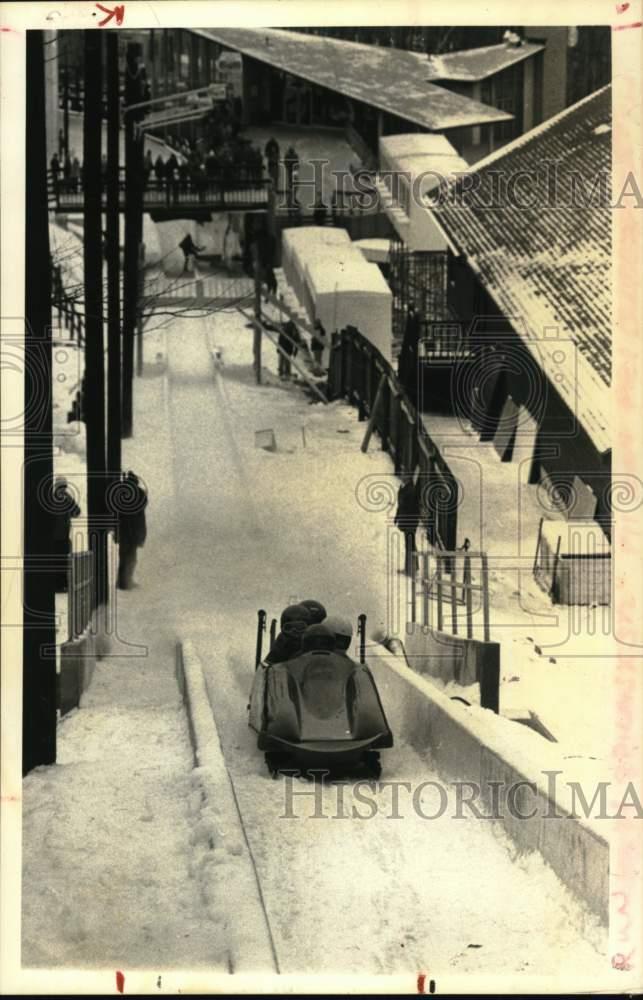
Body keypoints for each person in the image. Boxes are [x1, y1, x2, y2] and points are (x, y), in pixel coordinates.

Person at [117, 471, 148, 591]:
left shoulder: (120, 492)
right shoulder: (139, 492)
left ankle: (123, 581)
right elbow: (143, 503)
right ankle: (126, 581)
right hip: (134, 529)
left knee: (124, 556)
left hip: (124, 528)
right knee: (131, 556)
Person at [51, 478, 81, 592]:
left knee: (63, 561)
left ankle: (62, 584)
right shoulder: (52, 500)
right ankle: (58, 585)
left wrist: (70, 502)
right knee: (57, 561)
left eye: (64, 488)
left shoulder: (66, 499)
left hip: (62, 536)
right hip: (55, 537)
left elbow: (77, 512)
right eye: (61, 488)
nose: (63, 490)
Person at [394, 472, 420, 577]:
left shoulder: (411, 490)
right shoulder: (405, 488)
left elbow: (412, 508)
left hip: (410, 521)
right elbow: (400, 505)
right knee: (410, 544)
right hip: (407, 521)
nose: (402, 476)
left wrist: (410, 522)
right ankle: (413, 567)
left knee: (410, 545)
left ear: (408, 478)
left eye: (404, 475)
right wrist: (397, 517)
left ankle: (410, 569)